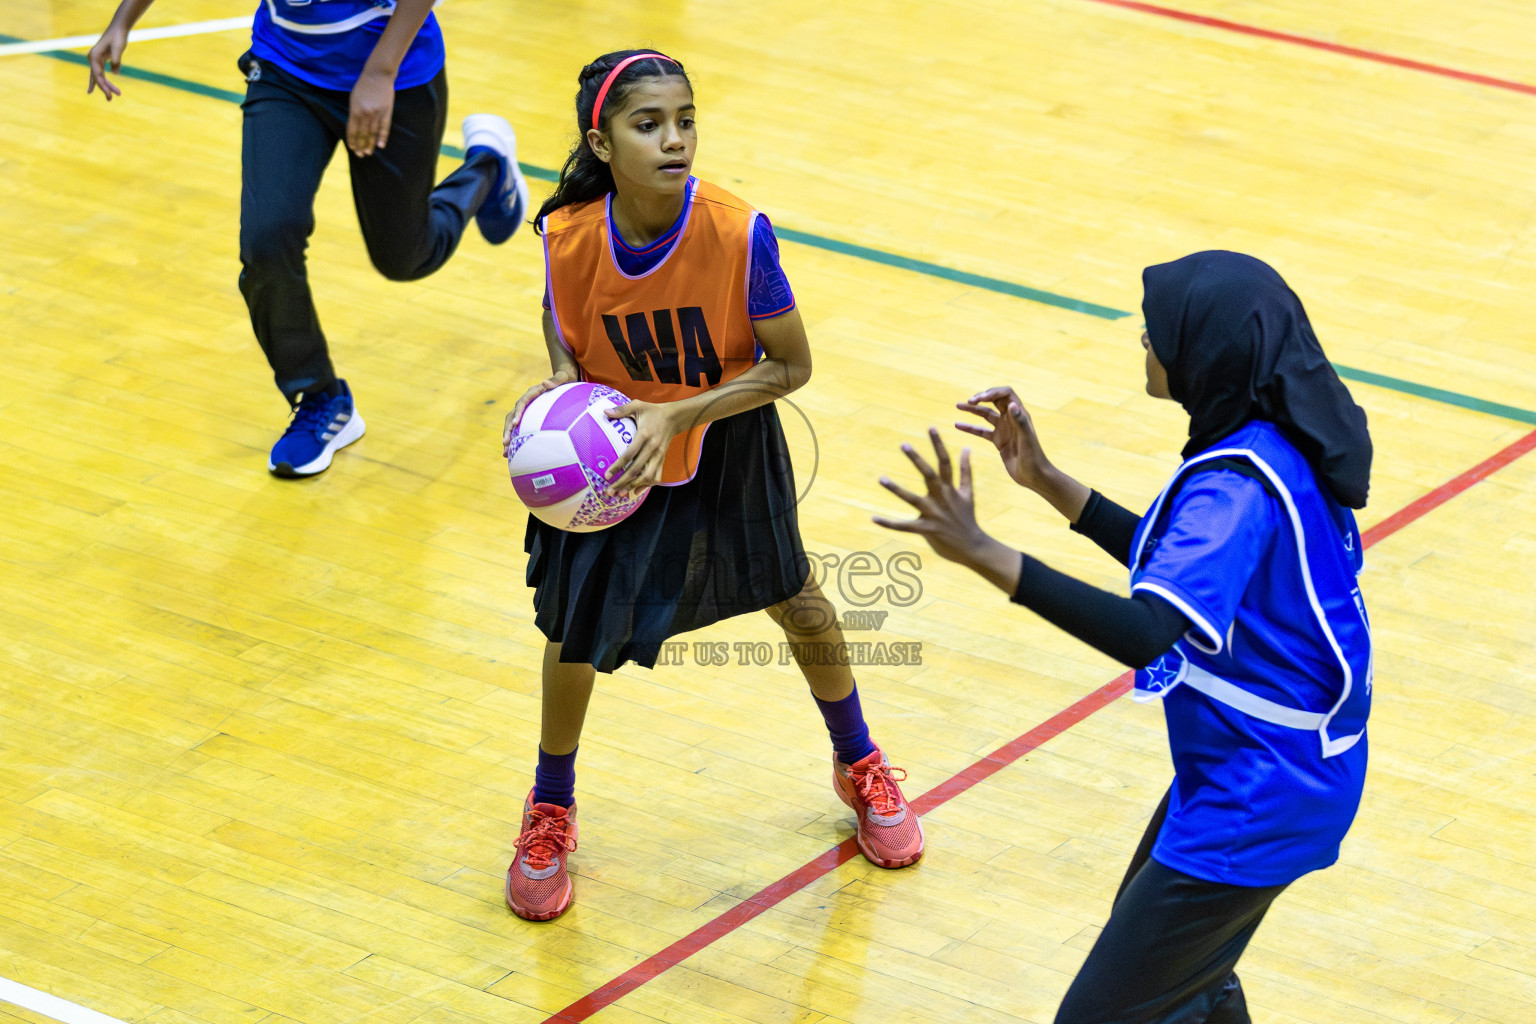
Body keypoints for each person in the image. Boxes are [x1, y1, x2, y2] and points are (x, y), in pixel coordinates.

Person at [874, 251, 1374, 1023]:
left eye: (1160, 328)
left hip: (1263, 788)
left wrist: (987, 554)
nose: (1145, 335)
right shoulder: (1275, 442)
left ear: (1205, 354)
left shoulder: (1235, 489)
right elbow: (1184, 565)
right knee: (1188, 979)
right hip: (1275, 770)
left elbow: (1149, 630)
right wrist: (1046, 480)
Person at [497, 49, 923, 922]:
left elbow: (791, 365)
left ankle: (861, 762)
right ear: (602, 143)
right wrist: (557, 375)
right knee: (575, 630)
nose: (675, 139)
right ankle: (550, 807)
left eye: (686, 120)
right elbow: (559, 308)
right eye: (649, 124)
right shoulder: (568, 232)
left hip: (723, 437)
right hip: (613, 457)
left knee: (798, 599)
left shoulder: (737, 230)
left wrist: (679, 415)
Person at [87, 0, 530, 477]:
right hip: (286, 69)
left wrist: (380, 72)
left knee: (404, 258)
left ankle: (487, 167)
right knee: (266, 241)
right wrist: (122, 20)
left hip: (394, 75)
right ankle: (320, 399)